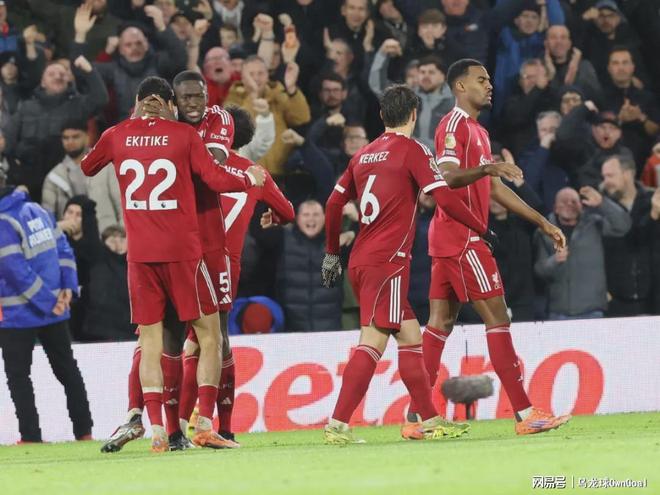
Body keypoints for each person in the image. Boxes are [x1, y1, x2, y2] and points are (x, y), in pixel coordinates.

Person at [81, 76, 263, 453]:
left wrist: (129, 126)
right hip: (183, 253)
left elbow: (87, 167)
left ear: (138, 101)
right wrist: (249, 178)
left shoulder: (117, 134)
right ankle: (203, 424)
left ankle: (157, 430)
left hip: (140, 255)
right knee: (210, 336)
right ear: (170, 103)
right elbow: (214, 177)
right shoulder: (184, 135)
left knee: (150, 342)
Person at [321, 84, 490, 444]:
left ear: (382, 115)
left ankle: (428, 419)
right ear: (414, 114)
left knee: (411, 337)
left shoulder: (362, 155)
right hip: (389, 262)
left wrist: (332, 252)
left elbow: (334, 204)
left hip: (361, 260)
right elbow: (444, 196)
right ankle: (337, 423)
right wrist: (480, 226)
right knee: (372, 341)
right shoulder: (413, 150)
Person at [422, 58, 570, 435]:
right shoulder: (452, 125)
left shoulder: (479, 132)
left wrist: (542, 222)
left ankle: (418, 418)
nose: (489, 85)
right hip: (463, 239)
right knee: (498, 319)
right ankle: (525, 414)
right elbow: (447, 177)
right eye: (481, 80)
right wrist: (488, 169)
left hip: (449, 238)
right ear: (460, 86)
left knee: (440, 324)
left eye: (489, 79)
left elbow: (494, 189)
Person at [0, 172, 93, 443]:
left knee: (19, 377)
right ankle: (84, 432)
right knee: (67, 370)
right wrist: (67, 288)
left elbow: (16, 272)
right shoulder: (37, 210)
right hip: (55, 309)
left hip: (19, 314)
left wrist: (48, 302)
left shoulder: (4, 222)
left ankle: (31, 436)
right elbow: (64, 249)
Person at [535, 186, 631, 319]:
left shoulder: (594, 224)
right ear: (555, 207)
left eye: (574, 201)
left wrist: (602, 202)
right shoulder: (544, 232)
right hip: (558, 312)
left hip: (592, 311)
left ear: (581, 206)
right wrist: (554, 260)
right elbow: (539, 270)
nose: (569, 204)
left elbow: (623, 226)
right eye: (564, 201)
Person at [601, 155, 660, 316]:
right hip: (616, 301)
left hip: (653, 299)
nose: (606, 181)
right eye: (604, 177)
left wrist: (655, 212)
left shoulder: (652, 201)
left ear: (627, 174)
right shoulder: (603, 209)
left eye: (610, 176)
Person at [41, 121, 90, 221]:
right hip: (68, 228)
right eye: (66, 138)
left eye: (75, 137)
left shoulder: (106, 167)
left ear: (87, 138)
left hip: (104, 229)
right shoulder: (54, 176)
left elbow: (119, 202)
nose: (70, 142)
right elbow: (47, 215)